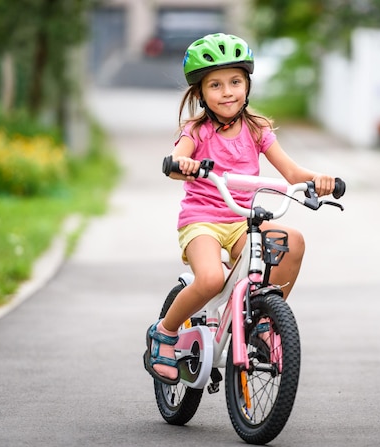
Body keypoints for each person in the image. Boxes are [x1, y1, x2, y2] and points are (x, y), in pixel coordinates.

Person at [143, 33, 336, 385]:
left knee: (291, 241)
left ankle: (262, 321)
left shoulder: (258, 129)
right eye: (215, 85)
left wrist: (319, 179)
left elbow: (292, 173)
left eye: (235, 82)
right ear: (200, 93)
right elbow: (178, 160)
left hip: (240, 220)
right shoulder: (196, 130)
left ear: (247, 85)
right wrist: (183, 164)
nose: (227, 91)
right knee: (212, 279)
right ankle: (165, 333)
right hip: (202, 221)